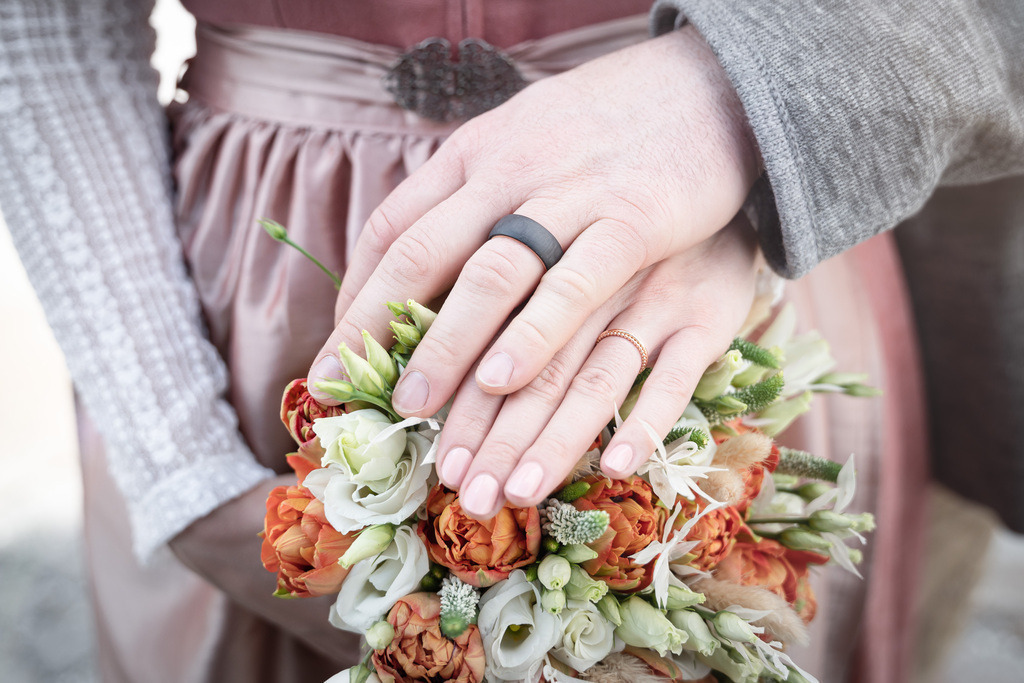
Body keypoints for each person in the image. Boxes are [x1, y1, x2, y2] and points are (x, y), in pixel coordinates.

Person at [0, 2, 1019, 683]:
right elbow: (42, 26)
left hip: (711, 257)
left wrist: (744, 113)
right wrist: (185, 470)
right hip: (252, 310)